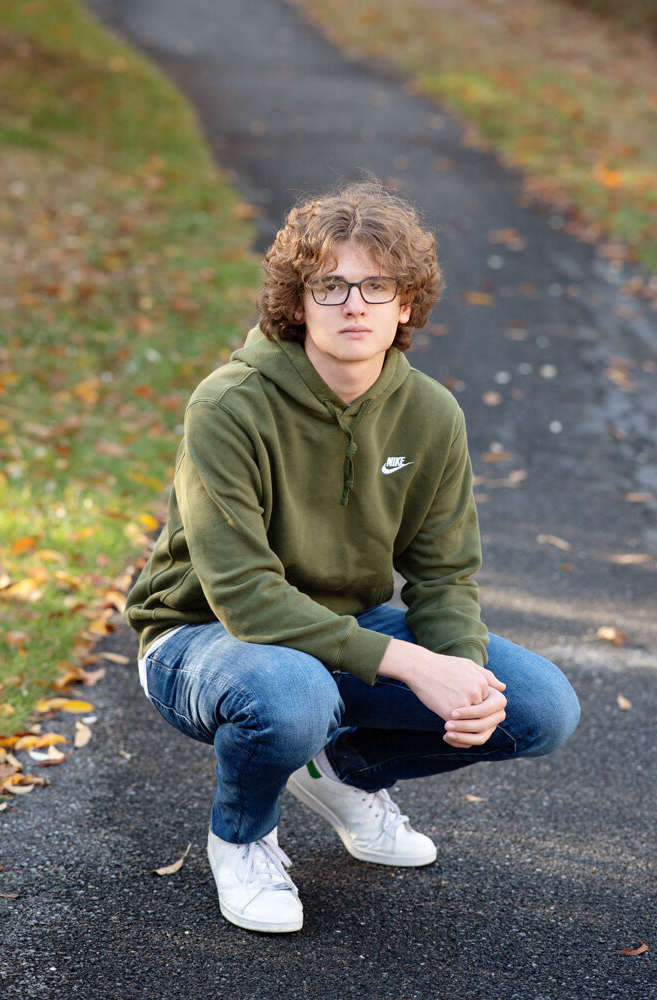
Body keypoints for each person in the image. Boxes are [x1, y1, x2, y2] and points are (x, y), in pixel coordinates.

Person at [124, 181, 580, 934]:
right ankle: (241, 839)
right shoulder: (229, 404)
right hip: (203, 635)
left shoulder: (429, 413)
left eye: (376, 284)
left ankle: (343, 772)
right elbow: (242, 595)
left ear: (406, 303)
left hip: (346, 625)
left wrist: (459, 669)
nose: (353, 304)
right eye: (329, 284)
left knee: (537, 710)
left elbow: (441, 573)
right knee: (291, 695)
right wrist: (410, 665)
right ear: (297, 302)